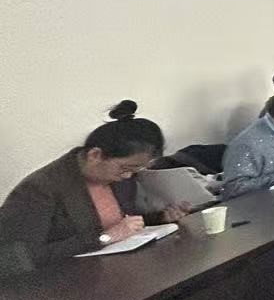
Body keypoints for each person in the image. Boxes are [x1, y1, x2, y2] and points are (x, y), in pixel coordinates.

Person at [0, 102, 190, 266]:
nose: (128, 176)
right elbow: (17, 259)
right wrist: (103, 238)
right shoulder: (39, 189)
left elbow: (119, 224)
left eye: (136, 170)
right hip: (65, 284)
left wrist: (159, 218)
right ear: (95, 155)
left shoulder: (118, 178)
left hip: (118, 270)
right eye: (125, 168)